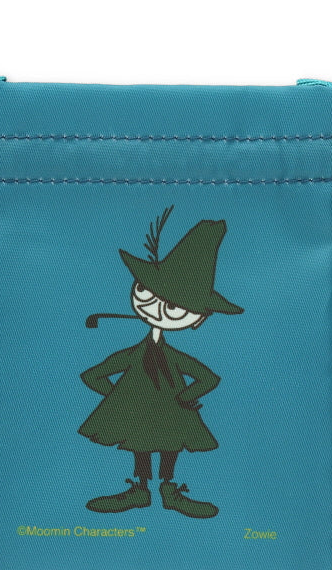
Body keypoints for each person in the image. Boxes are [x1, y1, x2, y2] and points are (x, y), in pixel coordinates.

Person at [78, 206, 243, 519]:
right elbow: (92, 375)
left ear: (198, 319)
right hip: (143, 410)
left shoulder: (171, 357)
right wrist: (121, 399)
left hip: (173, 410)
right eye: (145, 291)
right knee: (139, 439)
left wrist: (184, 398)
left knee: (170, 441)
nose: (154, 309)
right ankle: (140, 489)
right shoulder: (135, 354)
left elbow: (209, 378)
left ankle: (169, 488)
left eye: (172, 306)